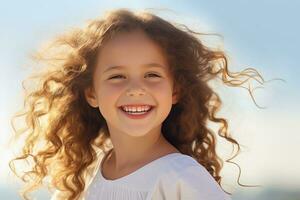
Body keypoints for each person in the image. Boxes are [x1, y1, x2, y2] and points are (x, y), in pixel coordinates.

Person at [9, 8, 264, 200]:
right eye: (117, 76)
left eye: (152, 75)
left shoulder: (181, 177)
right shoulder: (94, 170)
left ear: (175, 91)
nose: (136, 89)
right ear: (91, 93)